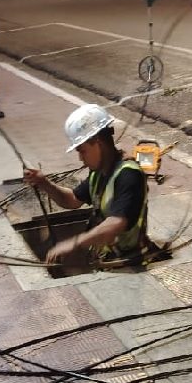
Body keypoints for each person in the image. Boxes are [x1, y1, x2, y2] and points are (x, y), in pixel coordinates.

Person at [23, 104, 162, 265]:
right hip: (107, 260)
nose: (80, 158)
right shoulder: (99, 173)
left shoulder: (129, 175)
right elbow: (72, 200)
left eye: (82, 151)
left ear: (97, 142)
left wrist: (74, 243)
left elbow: (116, 223)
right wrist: (43, 183)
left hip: (132, 262)